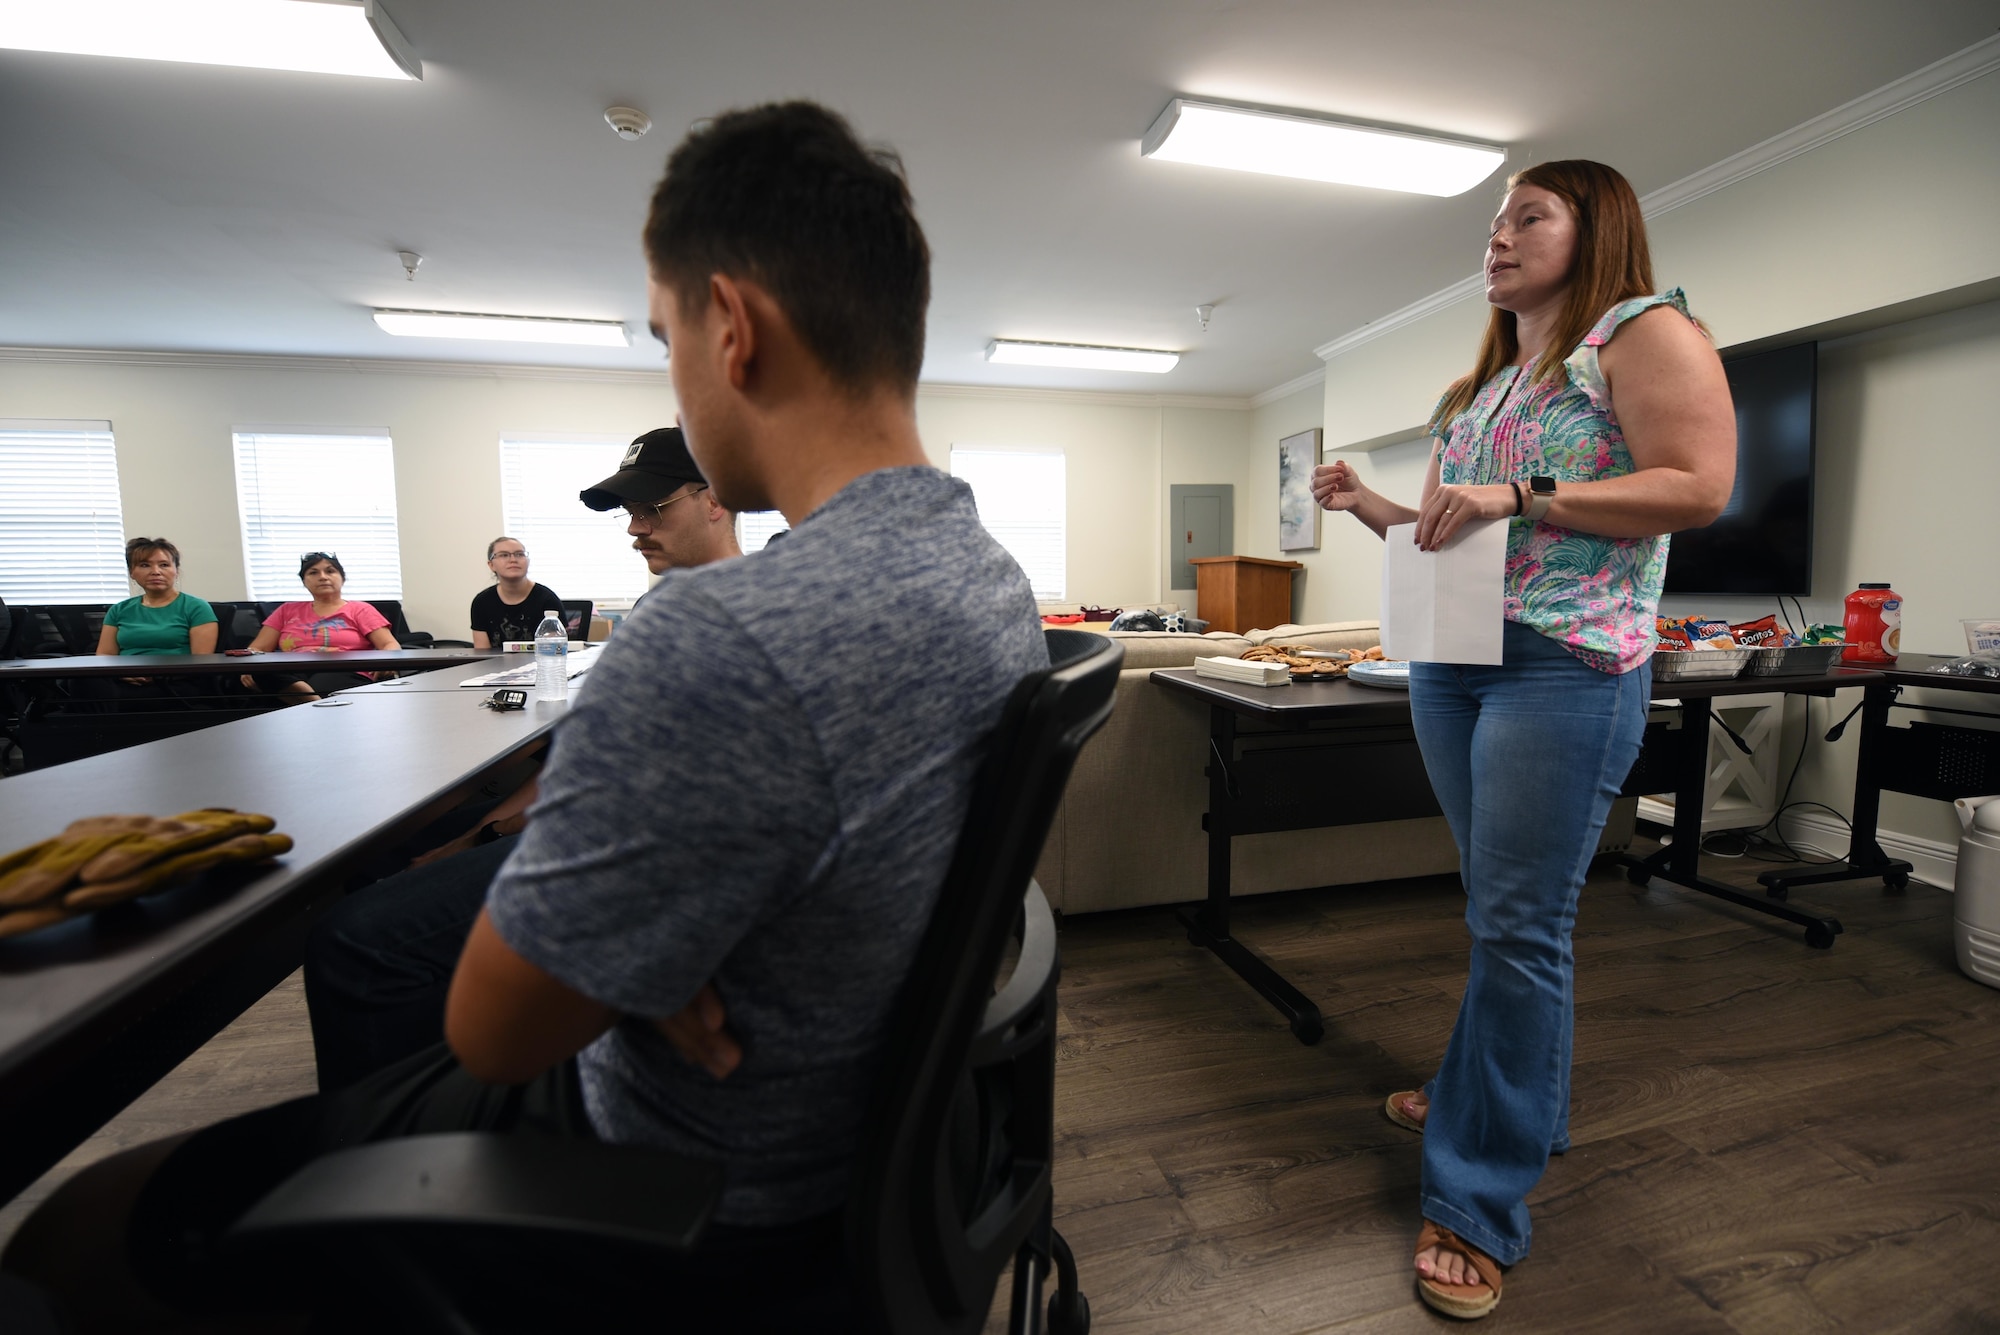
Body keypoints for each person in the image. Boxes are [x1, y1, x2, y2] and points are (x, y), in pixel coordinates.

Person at [5, 101, 1048, 1330]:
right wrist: (649, 939)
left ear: (731, 328)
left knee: (76, 1230)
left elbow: (498, 1032)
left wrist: (612, 948)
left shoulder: (718, 636)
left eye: (665, 336)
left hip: (675, 1184)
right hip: (859, 1150)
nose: (674, 371)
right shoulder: (991, 583)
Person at [1311, 160, 1735, 1320]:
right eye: (1492, 221)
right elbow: (1458, 529)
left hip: (1565, 665)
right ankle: (1484, 1092)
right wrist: (1380, 511)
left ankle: (1474, 1202)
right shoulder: (1482, 389)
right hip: (1454, 662)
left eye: (1525, 216)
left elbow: (1696, 486)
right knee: (1496, 909)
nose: (1495, 238)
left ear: (1590, 229)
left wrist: (1525, 493)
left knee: (1518, 924)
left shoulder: (1641, 332)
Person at [304, 428, 740, 1091]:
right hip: (606, 822)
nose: (634, 528)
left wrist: (487, 833)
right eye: (629, 512)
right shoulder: (670, 606)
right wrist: (483, 828)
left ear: (716, 498)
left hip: (633, 848)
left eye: (654, 508)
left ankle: (407, 1141)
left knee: (357, 942)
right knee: (387, 857)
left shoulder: (738, 614)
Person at [238, 552, 400, 702]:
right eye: (313, 573)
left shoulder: (360, 609)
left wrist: (386, 662)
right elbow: (258, 648)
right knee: (263, 674)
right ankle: (318, 706)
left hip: (345, 670)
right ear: (304, 581)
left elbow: (389, 644)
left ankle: (309, 704)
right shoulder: (286, 611)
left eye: (330, 571)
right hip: (293, 670)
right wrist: (248, 668)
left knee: (322, 682)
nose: (323, 577)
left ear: (342, 579)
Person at [85, 538, 219, 706]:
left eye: (164, 565)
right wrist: (122, 674)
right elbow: (104, 656)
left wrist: (154, 674)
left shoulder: (196, 607)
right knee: (83, 683)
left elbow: (201, 661)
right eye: (144, 565)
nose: (155, 571)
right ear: (132, 572)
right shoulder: (119, 610)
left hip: (174, 683)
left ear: (176, 570)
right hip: (123, 680)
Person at [467, 537, 564, 649]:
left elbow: (555, 651)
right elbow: (481, 654)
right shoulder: (482, 602)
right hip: (495, 666)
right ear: (491, 565)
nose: (513, 559)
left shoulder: (547, 599)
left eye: (519, 554)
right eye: (504, 555)